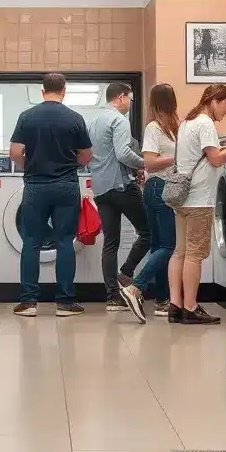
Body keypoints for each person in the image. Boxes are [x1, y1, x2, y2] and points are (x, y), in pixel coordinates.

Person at [155, 85, 226, 325]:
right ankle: (191, 307)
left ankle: (175, 305)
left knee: (180, 252)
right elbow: (216, 159)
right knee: (195, 255)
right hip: (198, 199)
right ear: (214, 101)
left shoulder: (187, 122)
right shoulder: (205, 123)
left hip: (181, 198)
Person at [9, 72, 93, 318]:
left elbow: (15, 152)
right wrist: (69, 165)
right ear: (64, 91)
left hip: (35, 186)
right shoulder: (74, 118)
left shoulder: (27, 117)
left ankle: (28, 303)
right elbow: (87, 155)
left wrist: (31, 166)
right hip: (66, 185)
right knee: (65, 242)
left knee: (31, 242)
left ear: (42, 91)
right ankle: (66, 303)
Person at [114, 84, 178, 322]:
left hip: (161, 188)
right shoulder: (154, 128)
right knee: (169, 246)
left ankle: (162, 300)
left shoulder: (171, 128)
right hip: (159, 187)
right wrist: (179, 156)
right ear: (170, 101)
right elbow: (150, 163)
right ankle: (135, 287)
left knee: (159, 245)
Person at [88, 82, 151, 311]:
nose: (131, 103)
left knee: (110, 242)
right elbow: (124, 153)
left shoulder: (94, 122)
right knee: (149, 232)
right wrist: (145, 164)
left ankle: (112, 296)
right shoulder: (119, 120)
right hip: (121, 186)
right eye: (131, 98)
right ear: (122, 97)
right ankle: (126, 273)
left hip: (101, 190)